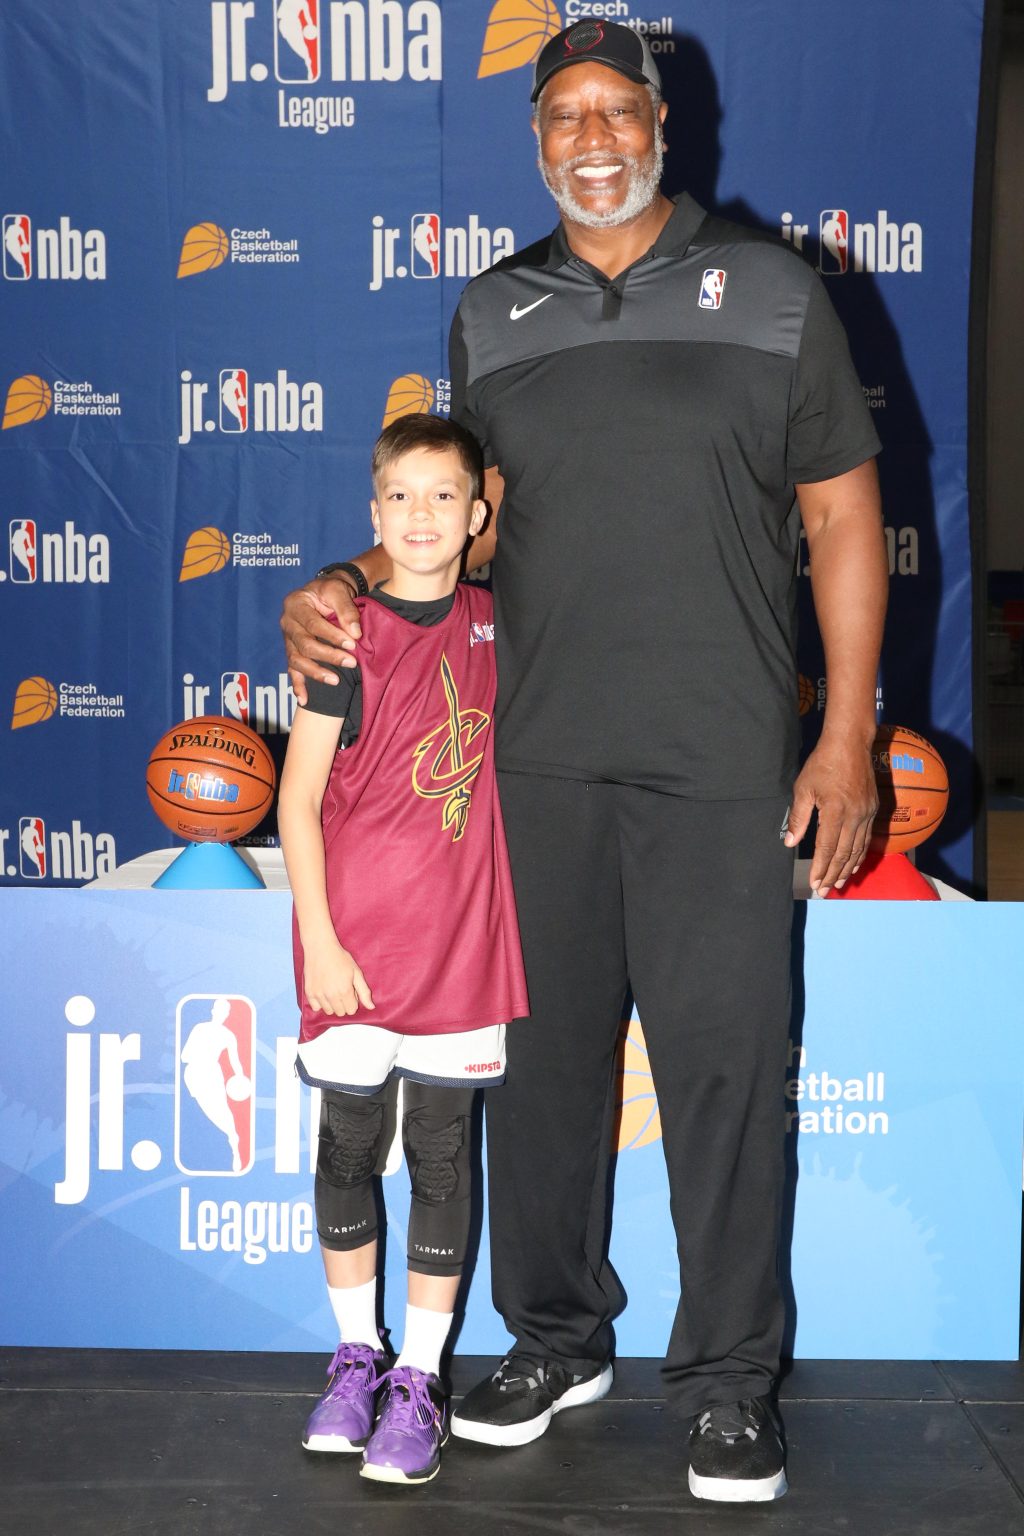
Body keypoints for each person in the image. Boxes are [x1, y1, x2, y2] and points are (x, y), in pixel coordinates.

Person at [280, 21, 888, 1503]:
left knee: (724, 1078)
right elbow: (456, 522)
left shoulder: (776, 292)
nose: (594, 135)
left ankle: (730, 1381)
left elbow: (842, 516)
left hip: (721, 763)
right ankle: (556, 1337)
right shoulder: (493, 312)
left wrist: (845, 736)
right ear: (538, 139)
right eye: (565, 113)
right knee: (544, 1074)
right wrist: (345, 584)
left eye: (620, 108)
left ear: (665, 127)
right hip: (528, 763)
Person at [278, 413, 528, 1487]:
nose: (420, 515)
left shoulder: (505, 624)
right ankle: (354, 1358)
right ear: (372, 514)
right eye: (400, 496)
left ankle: (418, 1380)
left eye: (443, 496)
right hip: (353, 950)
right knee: (347, 1148)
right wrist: (320, 942)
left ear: (478, 515)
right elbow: (295, 803)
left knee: (440, 1155)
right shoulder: (341, 632)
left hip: (461, 949)